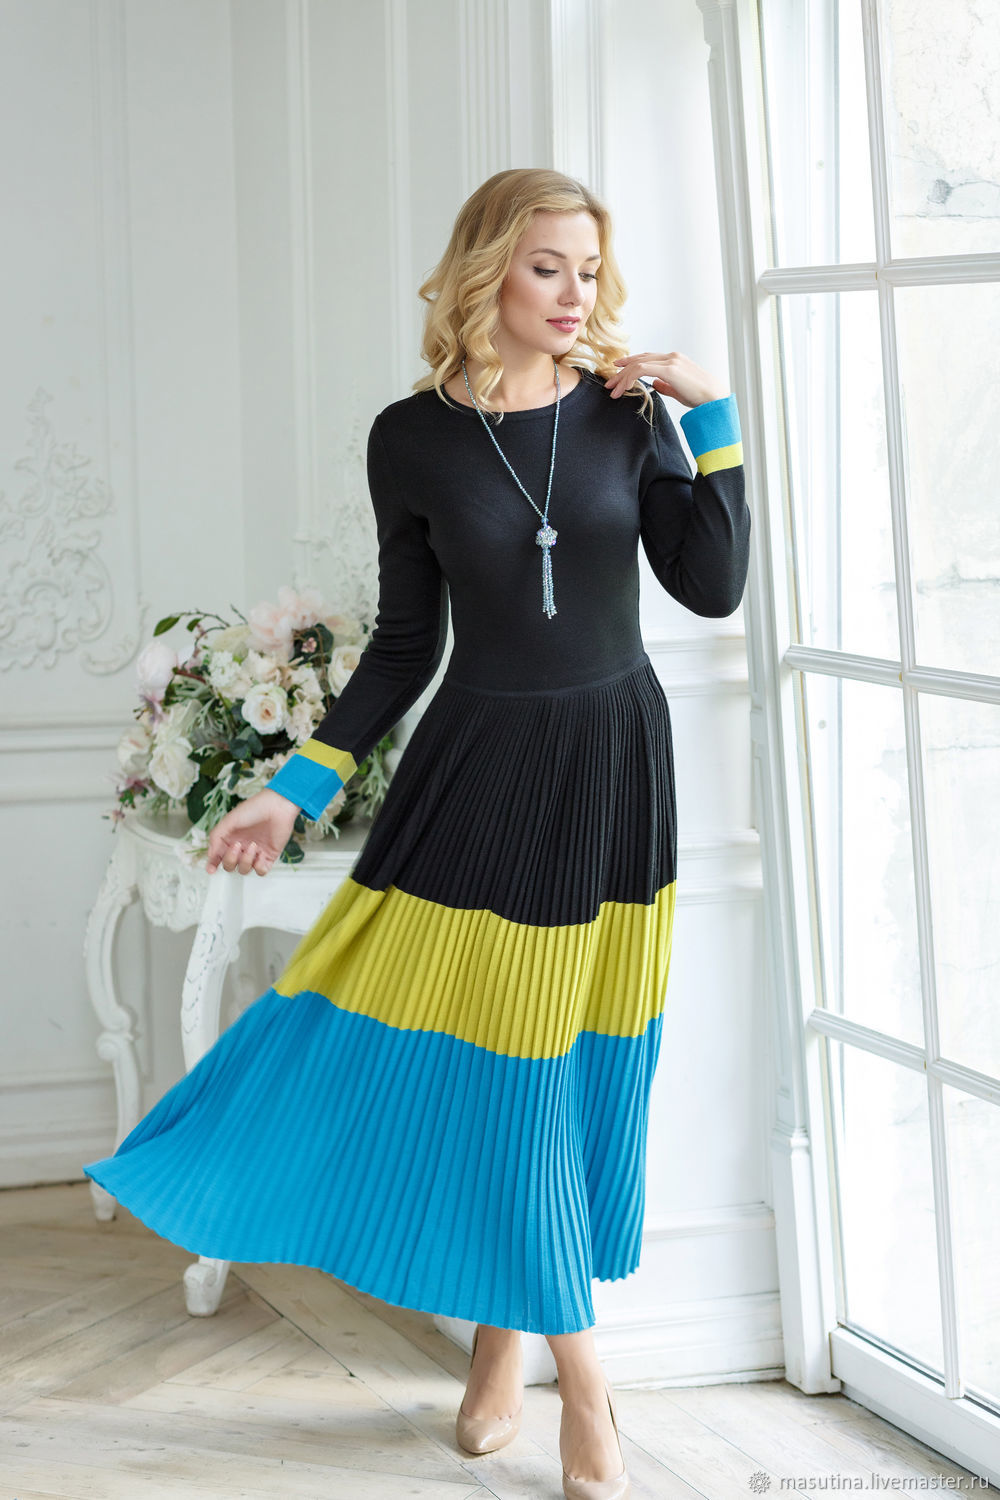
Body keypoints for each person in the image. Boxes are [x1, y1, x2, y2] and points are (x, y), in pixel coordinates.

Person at [84, 166, 749, 1500]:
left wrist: (709, 408)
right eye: (549, 266)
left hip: (614, 767)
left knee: (572, 1061)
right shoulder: (413, 438)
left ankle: (502, 1345)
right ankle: (589, 1389)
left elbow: (713, 584)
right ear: (488, 268)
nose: (575, 294)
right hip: (481, 774)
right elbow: (404, 647)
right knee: (501, 1064)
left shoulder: (626, 416)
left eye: (589, 270)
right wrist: (295, 789)